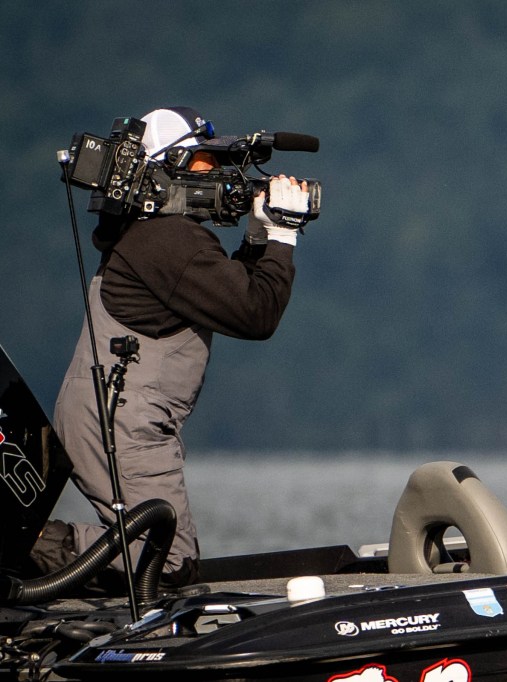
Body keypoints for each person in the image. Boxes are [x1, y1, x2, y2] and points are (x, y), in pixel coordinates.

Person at [32, 107, 312, 587]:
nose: (216, 172)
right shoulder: (170, 239)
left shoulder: (150, 234)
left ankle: (37, 558)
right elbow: (256, 314)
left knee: (157, 554)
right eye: (205, 161)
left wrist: (257, 236)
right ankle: (24, 547)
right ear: (170, 167)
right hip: (122, 419)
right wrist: (283, 235)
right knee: (167, 561)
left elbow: (228, 297)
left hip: (109, 411)